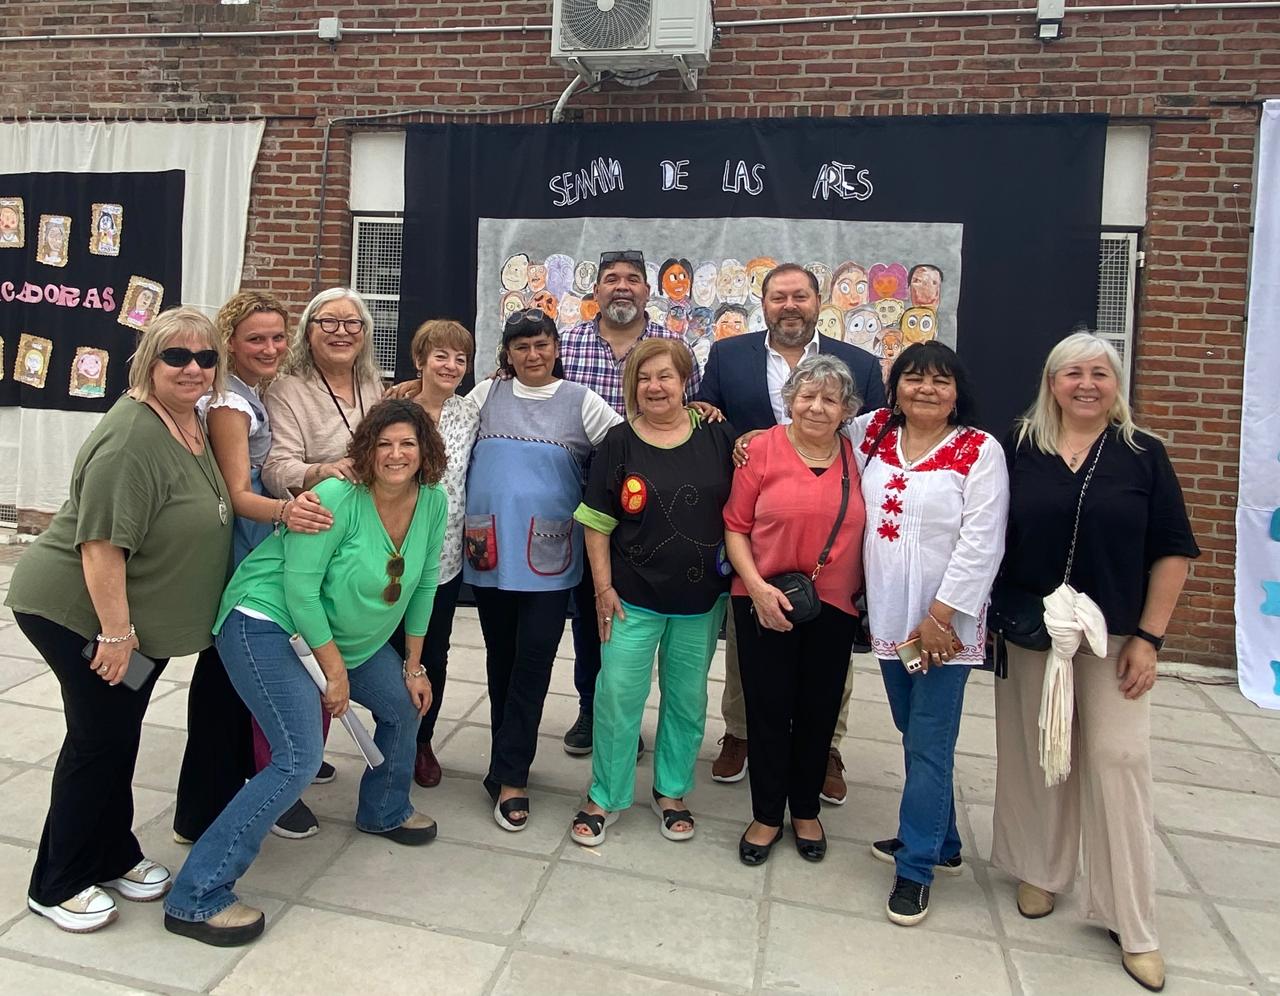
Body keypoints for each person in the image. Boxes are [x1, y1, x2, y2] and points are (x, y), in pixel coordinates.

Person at [164, 399, 449, 947]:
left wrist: (415, 665)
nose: (395, 454)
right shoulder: (338, 497)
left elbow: (425, 583)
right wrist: (334, 674)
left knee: (403, 705)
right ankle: (196, 896)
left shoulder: (433, 502)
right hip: (265, 622)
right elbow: (300, 592)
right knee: (298, 758)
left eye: (407, 444)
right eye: (384, 444)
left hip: (342, 636)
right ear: (366, 450)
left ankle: (385, 810)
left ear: (425, 452)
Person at [5, 308, 232, 934]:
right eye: (176, 356)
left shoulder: (189, 419)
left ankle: (110, 852)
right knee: (97, 740)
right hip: (80, 617)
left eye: (206, 357)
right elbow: (101, 546)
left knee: (117, 733)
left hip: (130, 625)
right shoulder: (131, 437)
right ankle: (56, 882)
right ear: (148, 361)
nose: (192, 368)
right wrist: (115, 633)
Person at [991, 332, 1199, 993]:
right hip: (1034, 632)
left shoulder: (1143, 455)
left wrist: (1150, 639)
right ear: (1052, 382)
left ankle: (1128, 917)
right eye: (1073, 373)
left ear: (1116, 384)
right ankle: (1040, 870)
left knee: (1118, 761)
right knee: (1038, 751)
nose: (1086, 384)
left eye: (1100, 374)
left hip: (1115, 637)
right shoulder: (1020, 446)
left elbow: (1173, 550)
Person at [698, 262, 885, 801]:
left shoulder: (859, 363)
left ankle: (826, 745)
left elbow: (872, 438)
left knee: (831, 653)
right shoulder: (728, 355)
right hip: (762, 517)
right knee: (749, 643)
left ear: (818, 301)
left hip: (832, 528)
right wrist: (741, 439)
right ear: (763, 303)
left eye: (799, 296)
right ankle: (741, 732)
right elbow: (711, 417)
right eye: (778, 297)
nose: (789, 306)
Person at [851, 342, 1009, 926]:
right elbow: (810, 421)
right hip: (890, 618)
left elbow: (982, 541)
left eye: (940, 381)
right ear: (895, 388)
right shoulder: (871, 433)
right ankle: (944, 843)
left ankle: (915, 867)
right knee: (913, 730)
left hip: (944, 629)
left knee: (928, 742)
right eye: (913, 378)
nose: (926, 389)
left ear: (957, 392)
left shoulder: (979, 450)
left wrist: (941, 617)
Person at [172, 291, 334, 845]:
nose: (270, 348)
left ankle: (238, 781)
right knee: (222, 683)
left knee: (232, 682)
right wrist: (290, 512)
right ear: (230, 344)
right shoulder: (229, 404)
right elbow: (239, 493)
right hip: (242, 552)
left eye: (277, 337)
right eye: (255, 339)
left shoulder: (251, 392)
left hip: (252, 546)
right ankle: (201, 813)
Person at [569, 339, 736, 846]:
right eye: (643, 378)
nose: (654, 386)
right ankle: (606, 794)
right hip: (630, 598)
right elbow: (597, 522)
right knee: (617, 697)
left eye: (665, 376)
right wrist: (602, 589)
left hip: (700, 600)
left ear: (685, 382)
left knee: (686, 699)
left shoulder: (717, 435)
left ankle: (672, 792)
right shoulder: (618, 442)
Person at [465, 308, 622, 831]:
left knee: (532, 662)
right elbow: (442, 431)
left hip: (550, 558)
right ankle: (504, 761)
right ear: (507, 353)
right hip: (490, 550)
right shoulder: (487, 395)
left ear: (557, 348)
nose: (533, 355)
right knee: (501, 661)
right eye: (522, 346)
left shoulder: (581, 401)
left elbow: (626, 447)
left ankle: (512, 777)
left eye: (542, 344)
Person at [556, 249, 702, 758]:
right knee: (593, 611)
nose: (622, 286)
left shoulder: (674, 347)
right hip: (585, 499)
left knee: (645, 620)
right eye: (611, 278)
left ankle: (639, 715)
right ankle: (592, 708)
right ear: (595, 290)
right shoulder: (566, 344)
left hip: (659, 510)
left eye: (633, 279)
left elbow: (695, 412)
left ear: (647, 291)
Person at [723, 355, 866, 866]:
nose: (817, 407)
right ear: (790, 400)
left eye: (830, 399)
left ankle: (805, 810)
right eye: (807, 396)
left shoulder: (859, 456)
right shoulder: (760, 449)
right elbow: (735, 526)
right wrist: (757, 588)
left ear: (847, 409)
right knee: (767, 709)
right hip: (762, 599)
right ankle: (766, 814)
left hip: (834, 605)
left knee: (818, 710)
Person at [258, 286, 385, 836]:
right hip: (311, 530)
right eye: (328, 322)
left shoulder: (373, 384)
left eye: (352, 323)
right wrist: (322, 470)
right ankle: (276, 775)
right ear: (308, 332)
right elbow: (274, 468)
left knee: (331, 644)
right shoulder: (288, 389)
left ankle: (308, 752)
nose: (341, 332)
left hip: (358, 540)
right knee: (296, 653)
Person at [399, 319, 480, 788]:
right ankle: (392, 734)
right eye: (441, 356)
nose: (450, 366)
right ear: (420, 360)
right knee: (388, 650)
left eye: (460, 358)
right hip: (390, 551)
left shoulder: (470, 413)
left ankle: (421, 740)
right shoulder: (393, 409)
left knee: (433, 651)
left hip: (444, 558)